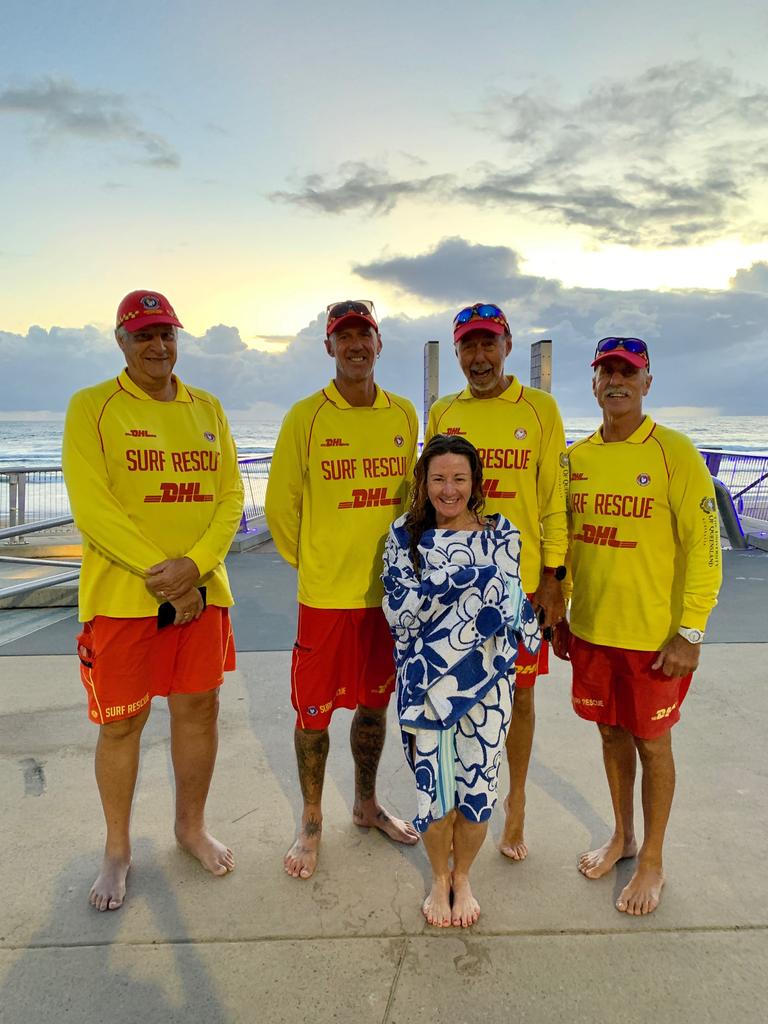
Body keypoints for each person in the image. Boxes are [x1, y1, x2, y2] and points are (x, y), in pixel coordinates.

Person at [62, 289, 244, 912]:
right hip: (122, 598)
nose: (157, 345)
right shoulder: (93, 407)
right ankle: (117, 848)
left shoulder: (208, 407)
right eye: (143, 334)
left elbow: (230, 499)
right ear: (121, 340)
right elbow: (92, 507)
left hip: (203, 594)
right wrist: (162, 574)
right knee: (122, 725)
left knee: (199, 712)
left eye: (166, 332)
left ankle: (189, 827)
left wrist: (196, 567)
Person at [553, 336, 722, 915]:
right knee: (609, 735)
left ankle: (652, 859)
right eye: (607, 373)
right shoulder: (576, 460)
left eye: (629, 372)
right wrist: (563, 611)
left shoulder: (675, 453)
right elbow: (570, 547)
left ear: (647, 382)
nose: (617, 382)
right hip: (595, 631)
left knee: (653, 744)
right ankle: (622, 835)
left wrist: (691, 631)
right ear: (594, 383)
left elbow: (705, 547)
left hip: (656, 640)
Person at [264, 299, 420, 880]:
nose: (356, 345)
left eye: (365, 335)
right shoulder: (306, 416)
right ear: (329, 347)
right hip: (325, 598)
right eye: (344, 336)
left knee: (375, 706)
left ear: (380, 345)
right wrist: (315, 563)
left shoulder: (403, 414)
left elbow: (413, 498)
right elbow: (282, 506)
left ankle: (366, 802)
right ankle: (310, 821)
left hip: (389, 597)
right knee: (313, 714)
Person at [425, 303, 568, 861]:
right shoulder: (443, 412)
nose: (479, 356)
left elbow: (554, 499)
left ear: (507, 346)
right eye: (468, 346)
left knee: (519, 699)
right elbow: (430, 490)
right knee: (456, 696)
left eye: (489, 344)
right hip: (453, 582)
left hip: (518, 587)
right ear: (457, 351)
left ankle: (516, 801)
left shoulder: (540, 410)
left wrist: (554, 577)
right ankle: (461, 799)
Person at [382, 434, 540, 927]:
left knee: (477, 788)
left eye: (458, 478)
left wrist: (452, 595)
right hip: (424, 683)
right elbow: (399, 612)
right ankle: (437, 876)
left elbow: (510, 602)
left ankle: (463, 875)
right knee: (433, 791)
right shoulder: (403, 536)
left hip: (488, 685)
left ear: (474, 483)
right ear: (423, 482)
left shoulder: (502, 533)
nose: (448, 489)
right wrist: (475, 591)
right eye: (438, 479)